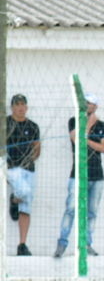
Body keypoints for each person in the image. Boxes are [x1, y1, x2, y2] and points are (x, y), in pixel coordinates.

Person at [55, 93, 104, 258]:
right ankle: (62, 244)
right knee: (71, 209)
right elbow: (75, 139)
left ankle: (87, 244)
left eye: (91, 104)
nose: (87, 106)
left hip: (96, 176)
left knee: (91, 212)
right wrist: (87, 129)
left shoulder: (102, 126)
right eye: (85, 103)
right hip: (77, 174)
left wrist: (85, 139)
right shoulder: (74, 121)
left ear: (95, 107)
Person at [6, 94, 41, 256]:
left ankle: (22, 244)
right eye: (17, 104)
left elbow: (37, 148)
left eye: (23, 104)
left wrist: (31, 157)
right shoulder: (5, 123)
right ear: (12, 107)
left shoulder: (33, 126)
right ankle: (14, 199)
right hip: (12, 167)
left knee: (26, 208)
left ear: (26, 107)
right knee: (24, 192)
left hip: (29, 169)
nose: (20, 107)